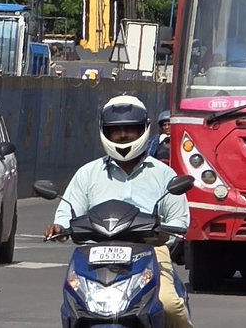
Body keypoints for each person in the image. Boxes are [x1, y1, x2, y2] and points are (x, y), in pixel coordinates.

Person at [45, 96, 192, 328]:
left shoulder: (164, 175)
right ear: (105, 132)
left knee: (169, 304)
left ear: (143, 129)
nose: (123, 135)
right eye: (116, 130)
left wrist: (165, 234)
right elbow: (68, 211)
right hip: (93, 256)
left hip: (149, 253)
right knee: (74, 305)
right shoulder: (88, 174)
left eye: (130, 129)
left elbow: (179, 220)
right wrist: (60, 227)